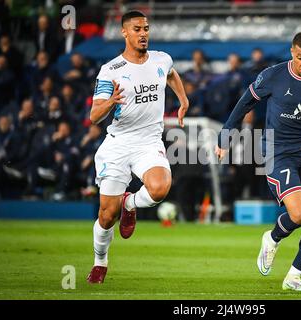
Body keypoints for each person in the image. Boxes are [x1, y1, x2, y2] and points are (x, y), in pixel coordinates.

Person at [216, 32, 301, 291]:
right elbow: (243, 105)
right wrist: (225, 137)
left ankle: (294, 276)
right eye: (300, 57)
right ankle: (272, 238)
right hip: (277, 150)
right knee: (299, 214)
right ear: (291, 53)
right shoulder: (273, 75)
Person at [87, 11, 189, 284]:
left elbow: (171, 74)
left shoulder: (161, 58)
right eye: (136, 29)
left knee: (159, 188)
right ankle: (100, 261)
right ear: (124, 33)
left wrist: (183, 99)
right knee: (107, 217)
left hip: (149, 142)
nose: (143, 33)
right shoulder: (110, 70)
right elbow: (94, 116)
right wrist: (111, 102)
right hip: (118, 144)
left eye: (146, 28)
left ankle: (130, 203)